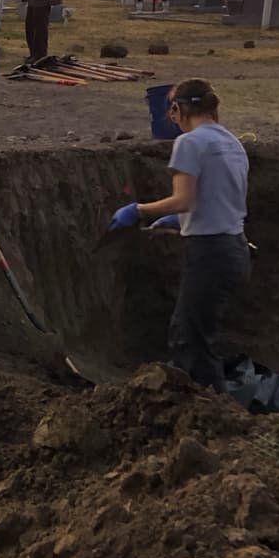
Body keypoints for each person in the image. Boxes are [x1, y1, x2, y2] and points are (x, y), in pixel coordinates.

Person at [107, 79, 250, 392]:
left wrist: (139, 210)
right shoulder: (231, 142)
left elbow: (183, 199)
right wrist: (183, 219)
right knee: (192, 331)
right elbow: (219, 198)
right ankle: (207, 408)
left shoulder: (190, 143)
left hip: (211, 252)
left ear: (177, 109)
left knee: (190, 340)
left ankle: (216, 416)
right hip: (234, 248)